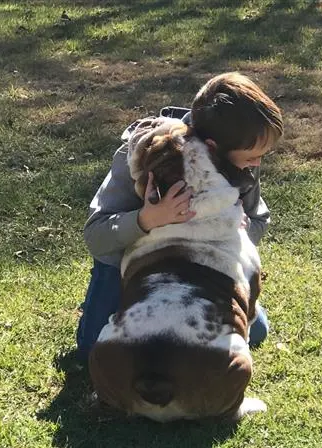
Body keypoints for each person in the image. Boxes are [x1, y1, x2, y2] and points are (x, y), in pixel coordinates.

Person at [76, 72, 284, 361]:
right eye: (252, 156)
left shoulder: (243, 155)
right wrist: (147, 219)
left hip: (203, 265)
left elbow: (259, 218)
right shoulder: (145, 151)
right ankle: (107, 300)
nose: (258, 163)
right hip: (136, 266)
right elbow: (96, 236)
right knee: (94, 351)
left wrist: (237, 230)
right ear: (213, 148)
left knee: (256, 330)